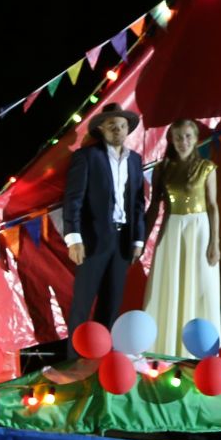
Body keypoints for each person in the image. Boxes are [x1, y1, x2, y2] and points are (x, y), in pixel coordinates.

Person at [62, 103, 148, 334]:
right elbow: (73, 200)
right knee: (82, 304)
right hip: (93, 239)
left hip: (123, 241)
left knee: (111, 304)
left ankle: (101, 359)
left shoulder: (135, 160)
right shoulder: (87, 157)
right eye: (112, 126)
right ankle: (76, 361)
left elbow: (139, 203)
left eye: (122, 126)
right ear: (101, 128)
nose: (118, 130)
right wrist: (74, 239)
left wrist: (138, 240)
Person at [141, 118, 221, 353]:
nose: (183, 142)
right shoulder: (162, 168)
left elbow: (213, 205)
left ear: (196, 139)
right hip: (172, 229)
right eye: (178, 137)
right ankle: (165, 346)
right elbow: (154, 206)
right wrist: (143, 242)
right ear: (171, 140)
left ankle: (201, 347)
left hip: (199, 230)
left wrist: (215, 242)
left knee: (200, 283)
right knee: (169, 283)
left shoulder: (207, 167)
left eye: (187, 137)